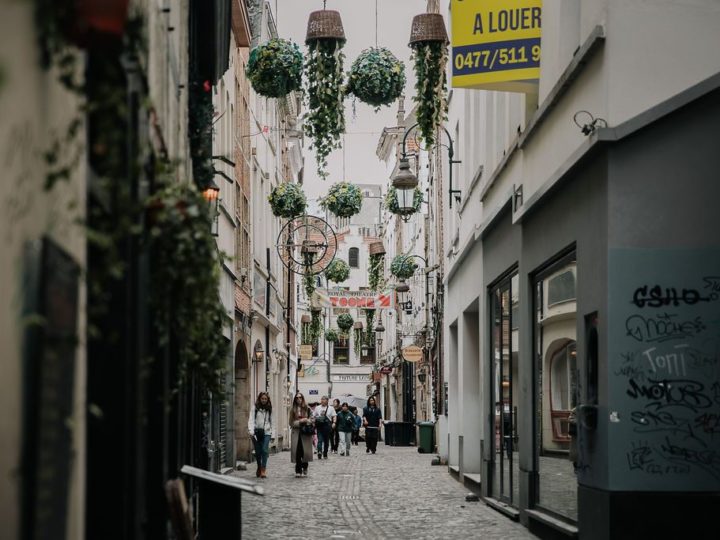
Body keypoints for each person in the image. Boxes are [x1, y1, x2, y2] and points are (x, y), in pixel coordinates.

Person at [247, 392, 273, 478]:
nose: (264, 400)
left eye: (265, 399)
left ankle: (263, 470)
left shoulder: (269, 409)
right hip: (256, 433)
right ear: (259, 399)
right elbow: (251, 420)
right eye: (262, 398)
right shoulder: (255, 408)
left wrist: (273, 434)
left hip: (267, 432)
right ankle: (259, 467)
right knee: (258, 452)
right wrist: (251, 431)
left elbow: (273, 421)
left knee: (265, 450)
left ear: (267, 399)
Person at [289, 392, 314, 477]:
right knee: (297, 451)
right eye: (297, 398)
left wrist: (306, 420)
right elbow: (291, 423)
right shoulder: (293, 409)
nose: (298, 399)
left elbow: (312, 419)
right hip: (296, 433)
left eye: (300, 397)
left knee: (305, 451)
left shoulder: (308, 408)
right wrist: (299, 422)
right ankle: (298, 470)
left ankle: (305, 467)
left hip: (306, 432)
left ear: (303, 398)